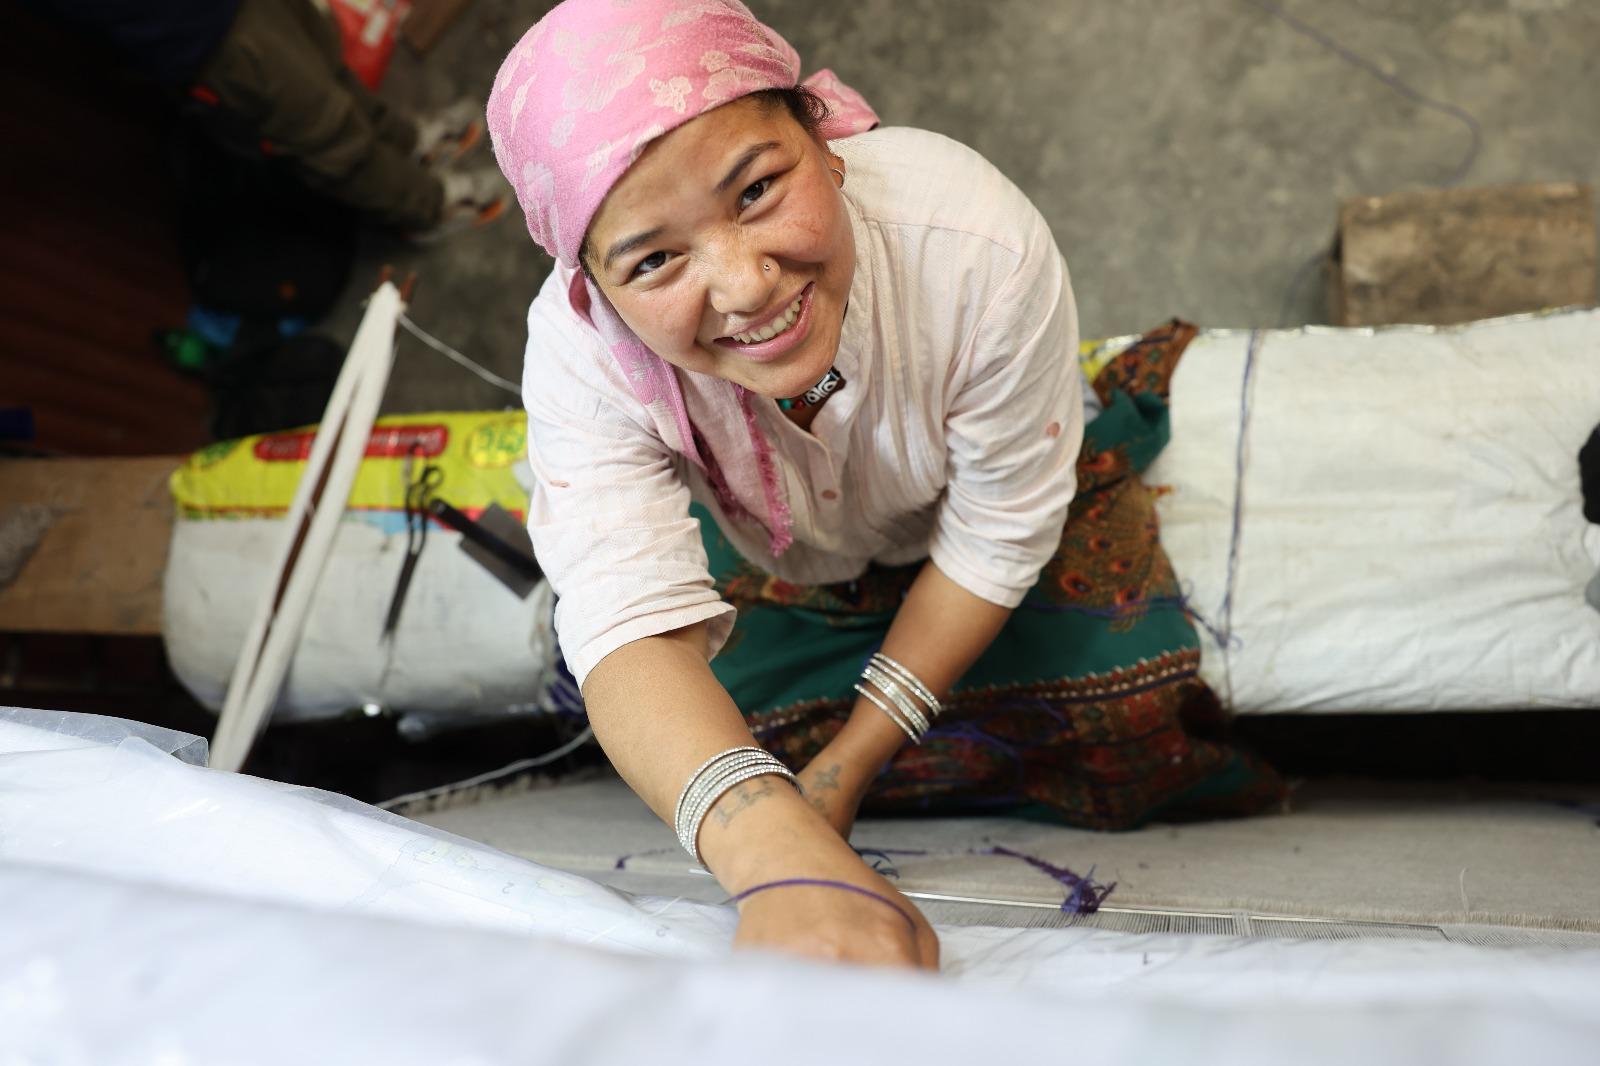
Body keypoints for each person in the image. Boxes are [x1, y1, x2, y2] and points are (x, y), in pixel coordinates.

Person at [489, 0, 1283, 970]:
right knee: (686, 727)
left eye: (756, 190)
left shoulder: (972, 246)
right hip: (785, 555)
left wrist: (848, 763)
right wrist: (773, 850)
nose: (745, 287)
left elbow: (997, 528)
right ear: (596, 291)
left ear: (821, 139)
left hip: (947, 525)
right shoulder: (584, 354)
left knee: (1129, 711)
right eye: (654, 260)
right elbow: (625, 620)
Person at [29, 0, 505, 242]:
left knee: (330, 65)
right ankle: (426, 206)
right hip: (199, 33)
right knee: (330, 135)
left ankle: (408, 142)